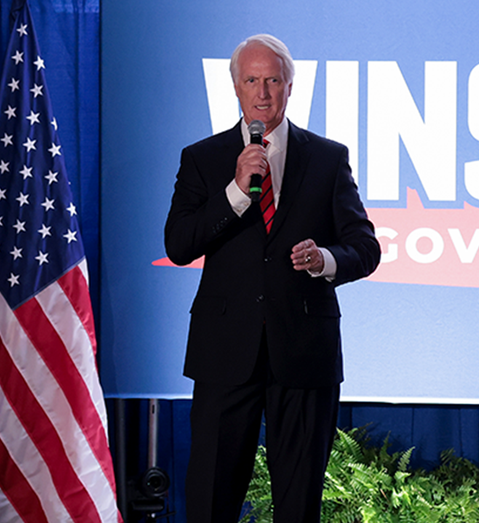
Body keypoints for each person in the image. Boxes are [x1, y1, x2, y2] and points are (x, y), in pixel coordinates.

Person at [165, 34, 380, 522]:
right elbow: (178, 245)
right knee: (210, 501)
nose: (262, 92)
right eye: (251, 80)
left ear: (289, 86)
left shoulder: (327, 158)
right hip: (224, 353)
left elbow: (365, 248)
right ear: (235, 88)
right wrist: (236, 192)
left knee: (299, 505)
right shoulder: (203, 158)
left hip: (304, 352)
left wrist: (324, 259)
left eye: (273, 81)